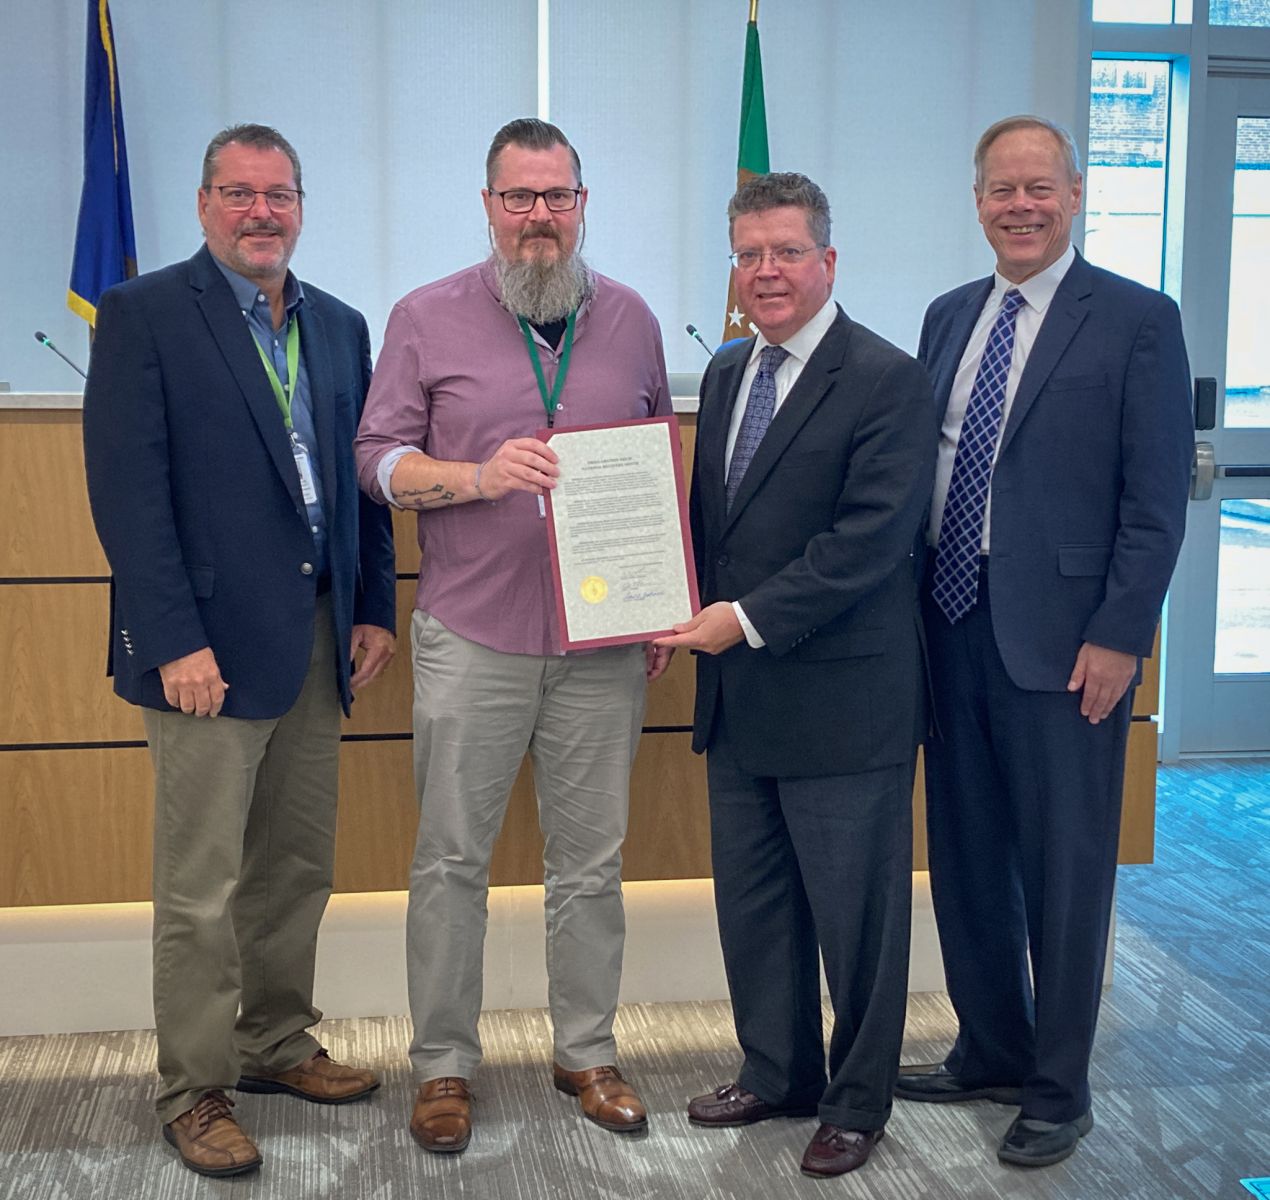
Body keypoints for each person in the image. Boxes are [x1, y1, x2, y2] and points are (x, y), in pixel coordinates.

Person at [82, 123, 397, 1179]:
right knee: (202, 886)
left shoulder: (342, 325)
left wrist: (373, 607)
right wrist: (173, 639)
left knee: (294, 868)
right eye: (238, 193)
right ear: (205, 202)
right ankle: (195, 1086)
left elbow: (361, 482)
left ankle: (272, 1043)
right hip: (203, 651)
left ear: (301, 204)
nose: (261, 211)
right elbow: (128, 495)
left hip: (317, 637)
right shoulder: (145, 315)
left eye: (279, 193)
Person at [354, 117, 672, 1153]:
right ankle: (443, 1065)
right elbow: (377, 460)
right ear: (488, 205)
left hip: (601, 649)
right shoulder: (423, 318)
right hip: (473, 634)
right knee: (450, 861)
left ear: (584, 204)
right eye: (519, 198)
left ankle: (587, 1050)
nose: (539, 217)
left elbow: (659, 466)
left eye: (558, 197)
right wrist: (474, 476)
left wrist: (662, 597)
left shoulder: (631, 320)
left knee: (592, 863)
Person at [894, 115, 1193, 1168]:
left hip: (1068, 649)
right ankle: (989, 1045)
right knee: (969, 856)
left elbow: (1154, 503)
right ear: (974, 201)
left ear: (1074, 195)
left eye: (1038, 189)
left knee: (1064, 870)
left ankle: (1059, 1087)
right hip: (949, 626)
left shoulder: (1136, 320)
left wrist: (1121, 635)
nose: (1018, 207)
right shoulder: (944, 318)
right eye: (999, 190)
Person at [655, 172, 935, 1179]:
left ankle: (857, 1103)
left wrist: (743, 619)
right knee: (756, 903)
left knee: (856, 919)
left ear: (827, 260)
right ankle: (777, 1072)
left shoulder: (887, 377)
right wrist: (665, 609)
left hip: (843, 697)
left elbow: (869, 541)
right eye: (747, 255)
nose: (764, 272)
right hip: (741, 698)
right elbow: (709, 526)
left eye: (783, 252)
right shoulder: (729, 371)